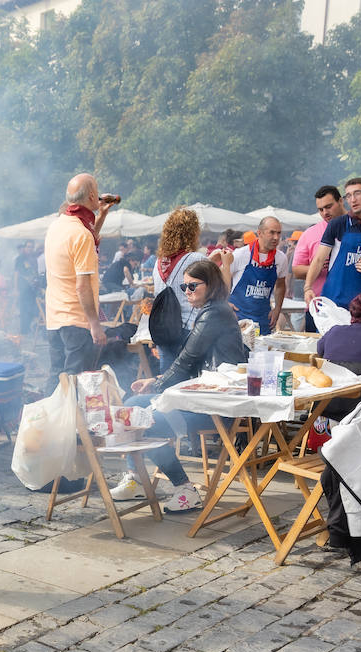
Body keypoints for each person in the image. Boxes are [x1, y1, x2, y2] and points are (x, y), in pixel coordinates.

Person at [117, 260, 248, 513]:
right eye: (183, 286)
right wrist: (155, 382)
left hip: (217, 405)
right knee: (131, 407)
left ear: (210, 286)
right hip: (203, 396)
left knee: (145, 419)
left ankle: (185, 488)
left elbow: (187, 360)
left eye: (192, 286)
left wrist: (156, 383)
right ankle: (137, 479)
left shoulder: (215, 313)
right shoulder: (210, 310)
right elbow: (187, 359)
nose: (187, 292)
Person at [44, 173, 115, 385]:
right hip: (76, 322)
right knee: (77, 385)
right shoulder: (81, 234)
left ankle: (49, 418)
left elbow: (85, 239)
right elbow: (82, 287)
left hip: (55, 319)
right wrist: (95, 325)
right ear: (92, 195)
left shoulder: (57, 225)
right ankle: (72, 419)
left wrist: (100, 217)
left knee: (58, 381)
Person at [304, 177, 361, 308]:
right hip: (334, 303)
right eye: (348, 195)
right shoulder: (337, 224)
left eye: (357, 193)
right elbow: (318, 260)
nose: (353, 199)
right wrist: (307, 288)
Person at [150, 207, 208, 366]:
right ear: (192, 232)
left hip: (163, 328)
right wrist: (225, 263)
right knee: (189, 382)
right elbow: (220, 289)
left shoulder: (158, 262)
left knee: (167, 379)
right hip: (189, 329)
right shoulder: (196, 258)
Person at [221, 215, 289, 335]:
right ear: (260, 233)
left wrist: (277, 308)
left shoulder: (281, 258)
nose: (276, 237)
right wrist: (224, 302)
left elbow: (281, 285)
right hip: (237, 319)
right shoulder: (240, 255)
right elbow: (220, 278)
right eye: (271, 233)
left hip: (263, 320)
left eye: (279, 233)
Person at [294, 186, 345, 314]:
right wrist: (320, 267)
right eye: (320, 209)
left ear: (340, 201)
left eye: (328, 207)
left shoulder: (360, 228)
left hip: (354, 305)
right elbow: (296, 270)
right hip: (318, 305)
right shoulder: (310, 234)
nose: (324, 213)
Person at [13, 239, 42, 336]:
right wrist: (16, 289)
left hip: (32, 288)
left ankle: (28, 329)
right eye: (28, 246)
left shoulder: (33, 258)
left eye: (32, 247)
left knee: (31, 308)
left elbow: (35, 272)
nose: (30, 248)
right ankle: (23, 331)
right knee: (23, 309)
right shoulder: (20, 258)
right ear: (25, 247)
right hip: (23, 288)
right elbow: (16, 274)